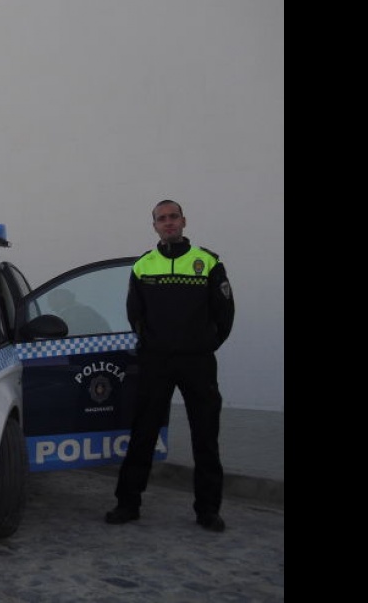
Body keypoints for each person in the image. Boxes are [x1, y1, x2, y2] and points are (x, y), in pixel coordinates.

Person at [106, 199, 235, 532]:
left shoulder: (208, 262)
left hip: (198, 362)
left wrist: (206, 344)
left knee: (205, 435)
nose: (168, 223)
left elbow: (225, 313)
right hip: (156, 361)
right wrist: (152, 345)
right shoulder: (143, 266)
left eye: (173, 217)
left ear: (184, 221)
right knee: (143, 433)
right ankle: (128, 503)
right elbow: (135, 313)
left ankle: (208, 510)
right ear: (155, 226)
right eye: (161, 219)